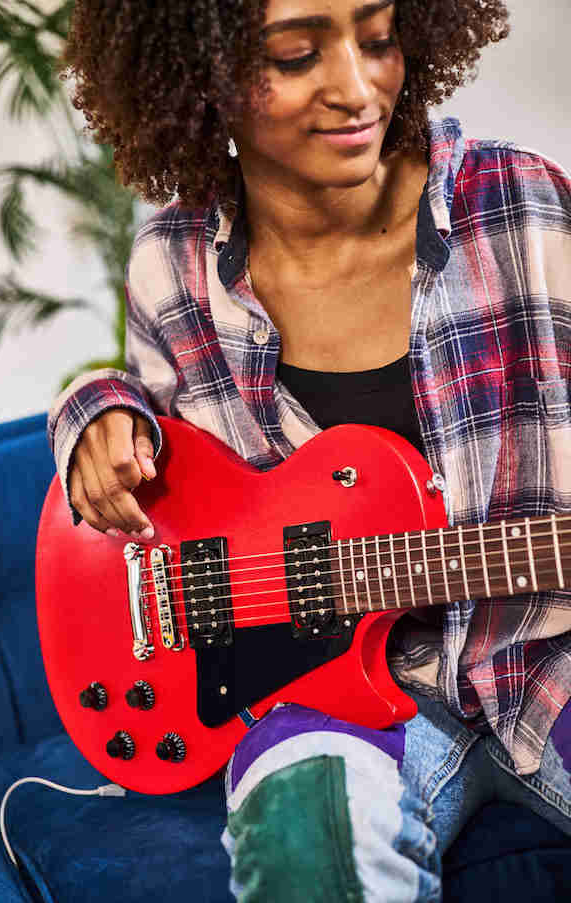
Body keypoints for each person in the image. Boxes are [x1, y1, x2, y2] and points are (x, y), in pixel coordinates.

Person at [49, 0, 571, 899]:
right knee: (302, 850)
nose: (358, 87)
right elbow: (160, 468)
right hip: (315, 703)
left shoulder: (525, 205)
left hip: (544, 656)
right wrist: (93, 412)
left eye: (377, 38)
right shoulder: (170, 263)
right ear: (198, 78)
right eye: (296, 55)